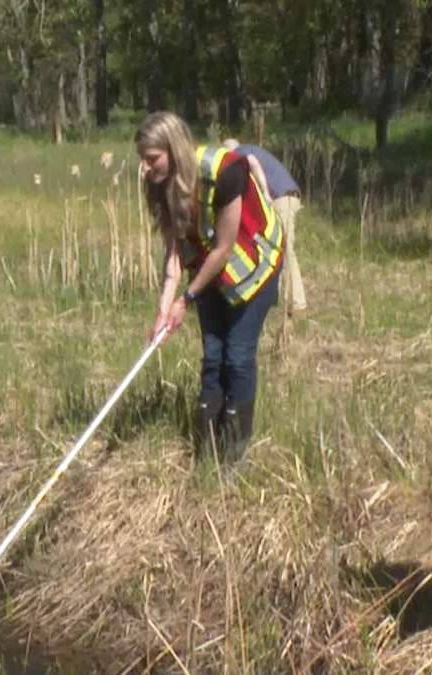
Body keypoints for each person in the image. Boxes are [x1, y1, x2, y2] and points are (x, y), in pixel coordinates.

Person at [135, 111, 284, 465]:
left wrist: (186, 299)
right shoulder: (159, 185)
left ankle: (233, 455)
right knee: (213, 356)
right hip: (211, 275)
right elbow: (173, 254)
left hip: (254, 270)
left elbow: (224, 248)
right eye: (142, 159)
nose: (145, 167)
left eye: (151, 158)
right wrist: (163, 312)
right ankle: (207, 450)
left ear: (172, 149)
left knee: (237, 355)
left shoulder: (226, 170)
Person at [223, 138, 306, 312]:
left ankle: (297, 304)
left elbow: (252, 163)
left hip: (281, 199)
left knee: (286, 251)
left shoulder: (240, 153)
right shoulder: (252, 149)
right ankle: (275, 299)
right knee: (274, 249)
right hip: (289, 195)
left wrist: (266, 194)